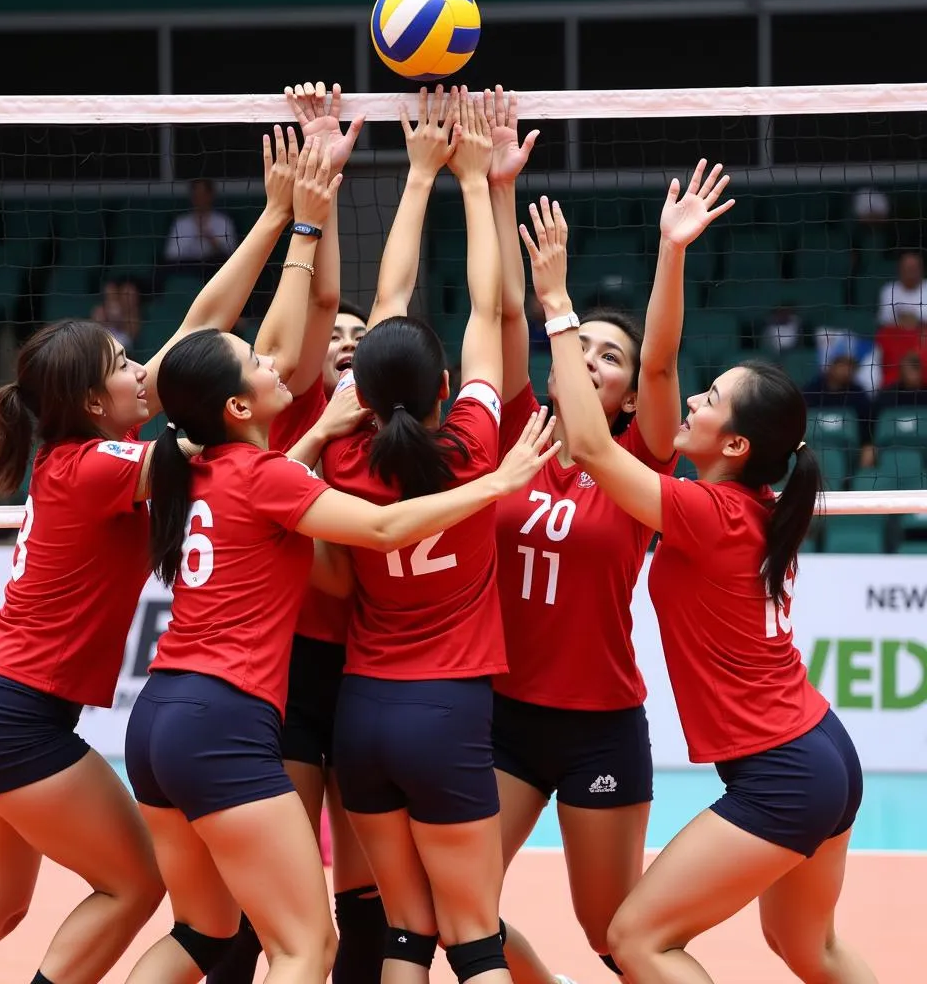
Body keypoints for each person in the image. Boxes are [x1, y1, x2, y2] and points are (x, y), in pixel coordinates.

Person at [0, 123, 306, 984]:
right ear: (96, 398)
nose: (143, 372)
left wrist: (271, 219)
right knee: (133, 886)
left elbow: (200, 329)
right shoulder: (101, 468)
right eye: (128, 364)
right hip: (10, 714)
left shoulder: (79, 456)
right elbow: (208, 358)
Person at [122, 323, 559, 984]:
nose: (275, 360)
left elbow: (275, 484)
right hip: (223, 721)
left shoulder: (200, 468)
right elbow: (381, 527)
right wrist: (502, 482)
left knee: (202, 931)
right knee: (307, 949)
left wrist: (323, 432)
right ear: (236, 408)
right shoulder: (268, 474)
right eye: (256, 360)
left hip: (157, 716)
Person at [522, 196, 876, 984]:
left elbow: (587, 439)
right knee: (806, 948)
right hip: (821, 750)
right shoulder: (740, 504)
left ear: (737, 445)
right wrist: (672, 252)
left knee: (639, 939)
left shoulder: (706, 512)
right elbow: (657, 366)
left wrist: (557, 307)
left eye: (709, 401)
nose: (691, 399)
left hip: (786, 771)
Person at [486, 82, 734, 982]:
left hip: (599, 724)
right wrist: (497, 185)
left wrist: (671, 255)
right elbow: (507, 315)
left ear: (627, 396)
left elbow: (665, 357)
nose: (592, 359)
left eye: (609, 357)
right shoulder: (513, 431)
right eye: (583, 345)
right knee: (455, 911)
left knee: (613, 935)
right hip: (502, 718)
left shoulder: (639, 463)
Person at [322, 84, 515, 984]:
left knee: (406, 931)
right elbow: (487, 313)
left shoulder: (342, 455)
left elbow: (387, 295)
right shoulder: (474, 441)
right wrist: (474, 185)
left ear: (359, 387)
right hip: (446, 709)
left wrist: (416, 176)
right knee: (475, 935)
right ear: (443, 386)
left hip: (361, 712)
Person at [205, 80, 379, 984]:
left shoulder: (394, 432)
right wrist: (320, 191)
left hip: (379, 674)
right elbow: (312, 307)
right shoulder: (292, 407)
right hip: (294, 669)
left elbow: (366, 304)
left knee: (367, 904)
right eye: (335, 334)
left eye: (360, 337)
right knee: (266, 908)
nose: (344, 339)